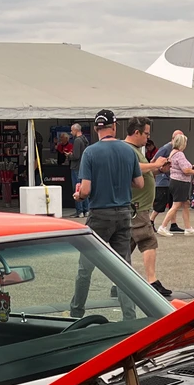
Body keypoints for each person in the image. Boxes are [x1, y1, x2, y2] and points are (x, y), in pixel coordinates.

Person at [70, 108, 142, 318]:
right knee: (124, 268)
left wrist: (79, 197)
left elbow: (85, 190)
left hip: (100, 215)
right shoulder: (128, 151)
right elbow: (139, 183)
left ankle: (77, 312)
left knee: (85, 267)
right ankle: (129, 317)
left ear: (96, 129)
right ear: (114, 127)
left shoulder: (90, 152)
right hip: (124, 214)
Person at [124, 117, 172, 298]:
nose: (148, 138)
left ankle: (117, 282)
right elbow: (133, 167)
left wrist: (159, 170)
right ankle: (152, 281)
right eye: (146, 134)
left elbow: (142, 170)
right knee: (148, 240)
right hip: (137, 207)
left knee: (126, 246)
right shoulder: (127, 150)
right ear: (136, 132)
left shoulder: (135, 150)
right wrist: (155, 164)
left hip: (137, 206)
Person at [156, 134, 194, 236]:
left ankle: (188, 228)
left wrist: (191, 167)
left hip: (175, 181)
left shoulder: (173, 153)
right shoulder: (180, 154)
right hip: (180, 182)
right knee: (176, 205)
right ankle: (163, 226)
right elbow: (185, 170)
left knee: (185, 204)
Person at [152, 130, 181, 231]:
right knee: (160, 203)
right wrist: (160, 169)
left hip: (171, 180)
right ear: (173, 138)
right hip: (163, 180)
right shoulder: (165, 148)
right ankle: (151, 221)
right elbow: (154, 160)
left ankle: (173, 224)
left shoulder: (177, 150)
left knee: (172, 203)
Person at [68, 122, 90, 219]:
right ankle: (86, 210)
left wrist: (69, 155)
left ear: (76, 130)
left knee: (77, 189)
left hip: (76, 167)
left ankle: (79, 211)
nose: (71, 132)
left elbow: (76, 156)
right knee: (83, 188)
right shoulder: (85, 139)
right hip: (83, 167)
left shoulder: (77, 141)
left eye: (72, 130)